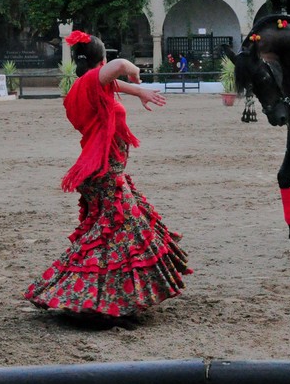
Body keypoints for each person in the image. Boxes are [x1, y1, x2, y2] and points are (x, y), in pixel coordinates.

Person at [25, 30, 190, 321]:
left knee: (112, 236)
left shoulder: (80, 88)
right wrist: (135, 71)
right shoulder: (93, 81)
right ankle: (92, 300)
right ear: (101, 60)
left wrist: (137, 91)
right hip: (105, 174)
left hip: (102, 172)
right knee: (124, 236)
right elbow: (119, 68)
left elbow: (110, 82)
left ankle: (97, 298)